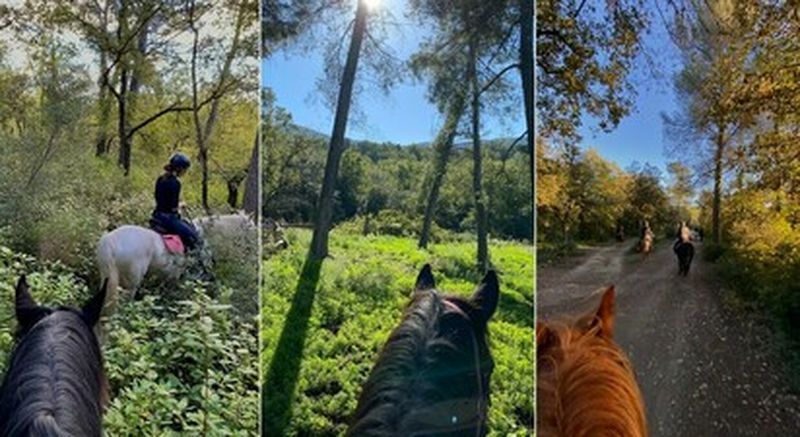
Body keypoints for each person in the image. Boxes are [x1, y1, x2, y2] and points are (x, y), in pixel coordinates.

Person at [150, 153, 200, 250]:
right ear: (180, 169)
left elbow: (158, 197)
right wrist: (181, 206)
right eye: (185, 169)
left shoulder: (160, 179)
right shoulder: (175, 183)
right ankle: (194, 262)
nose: (185, 172)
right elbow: (173, 207)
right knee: (193, 238)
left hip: (157, 215)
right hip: (169, 219)